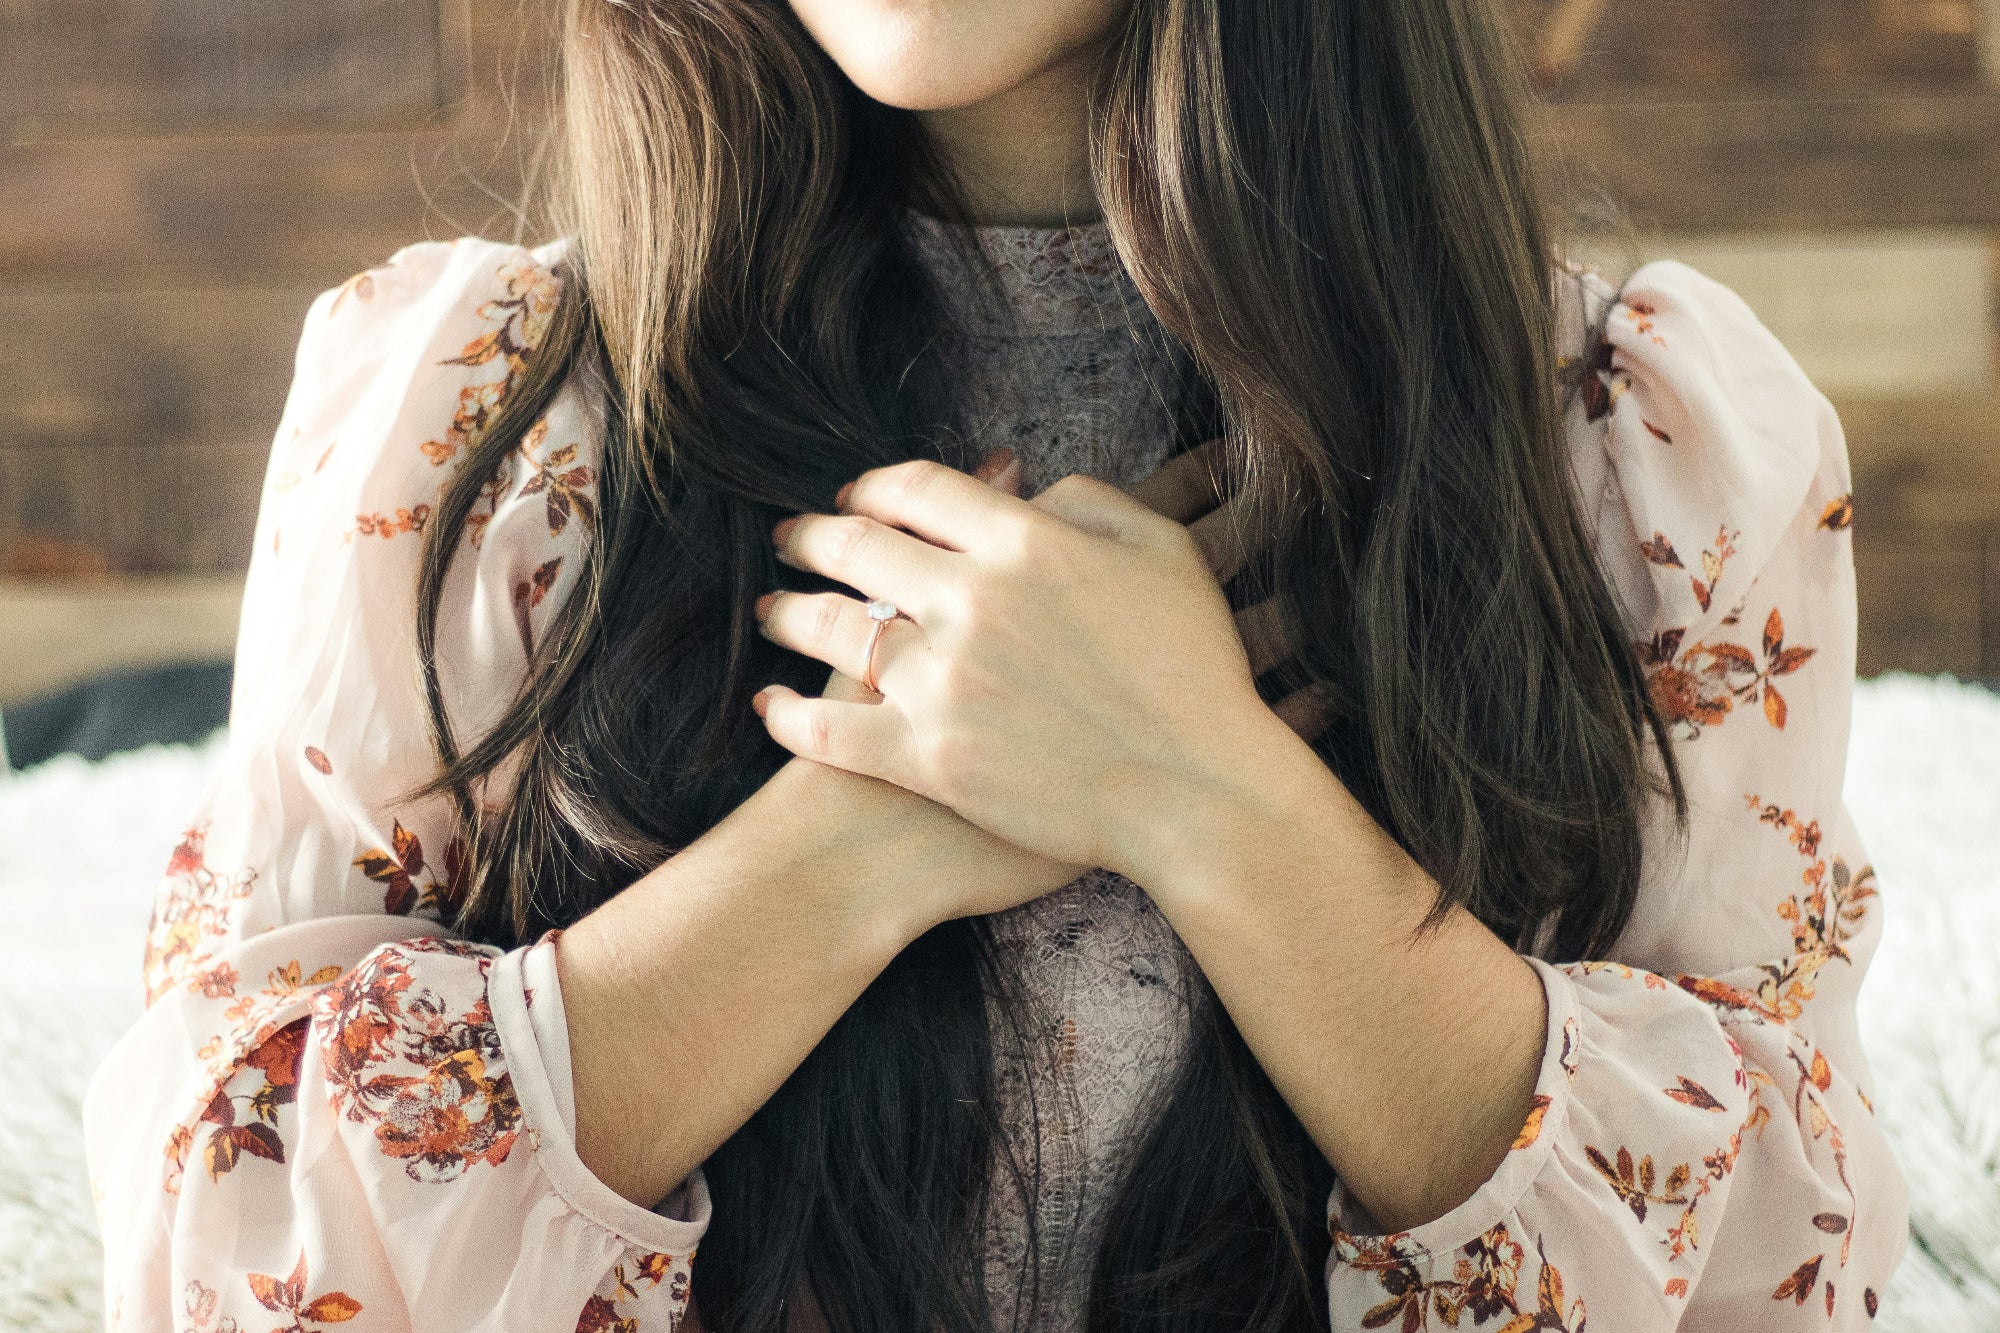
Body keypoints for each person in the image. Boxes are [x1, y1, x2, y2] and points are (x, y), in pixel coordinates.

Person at [85, 0, 1908, 1328]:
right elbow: (231, 1242)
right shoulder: (481, 418)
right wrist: (877, 830)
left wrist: (1208, 795)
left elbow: (1771, 1271)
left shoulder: (1630, 453)